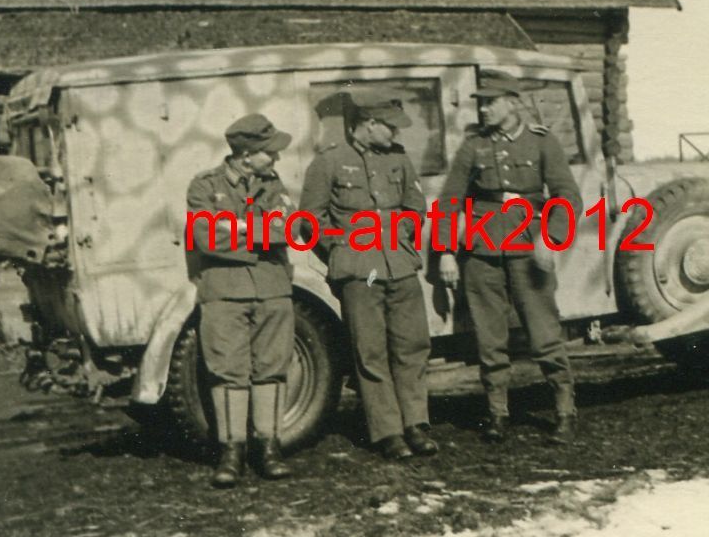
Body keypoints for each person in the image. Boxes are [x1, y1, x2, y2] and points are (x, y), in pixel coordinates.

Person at [438, 85, 583, 444]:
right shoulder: (474, 145)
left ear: (512, 102)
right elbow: (450, 199)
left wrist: (550, 238)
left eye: (491, 102)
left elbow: (568, 197)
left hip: (527, 249)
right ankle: (497, 413)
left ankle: (564, 411)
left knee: (544, 335)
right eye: (481, 103)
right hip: (481, 252)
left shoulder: (542, 142)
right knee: (489, 340)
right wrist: (444, 250)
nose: (484, 109)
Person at [299, 87, 437, 461]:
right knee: (371, 351)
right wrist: (342, 251)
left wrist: (400, 237)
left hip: (401, 265)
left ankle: (416, 424)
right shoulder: (328, 162)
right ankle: (388, 431)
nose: (396, 135)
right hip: (361, 272)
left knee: (412, 345)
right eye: (390, 127)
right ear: (369, 124)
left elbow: (414, 205)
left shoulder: (398, 159)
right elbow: (310, 221)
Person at [186, 113, 296, 488]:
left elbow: (291, 229)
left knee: (272, 368)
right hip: (224, 293)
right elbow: (206, 239)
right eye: (270, 152)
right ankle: (231, 454)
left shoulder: (273, 184)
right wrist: (263, 231)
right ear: (246, 154)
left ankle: (269, 449)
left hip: (272, 289)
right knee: (227, 372)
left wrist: (238, 228)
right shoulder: (204, 186)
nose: (276, 159)